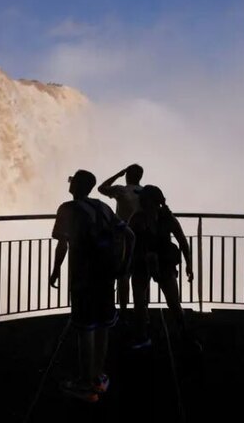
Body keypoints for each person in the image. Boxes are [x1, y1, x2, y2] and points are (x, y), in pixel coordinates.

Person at [50, 170, 135, 402]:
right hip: (106, 276)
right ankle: (98, 376)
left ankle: (85, 384)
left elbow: (62, 245)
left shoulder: (67, 209)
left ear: (76, 185)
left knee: (85, 327)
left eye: (72, 180)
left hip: (82, 278)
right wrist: (124, 266)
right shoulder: (103, 207)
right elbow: (129, 234)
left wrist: (56, 269)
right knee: (103, 325)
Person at [127, 185, 196, 349]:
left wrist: (189, 265)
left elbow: (128, 242)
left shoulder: (142, 218)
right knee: (160, 301)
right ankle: (182, 335)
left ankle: (146, 335)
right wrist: (188, 265)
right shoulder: (157, 218)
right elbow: (183, 243)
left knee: (162, 301)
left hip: (154, 262)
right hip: (148, 262)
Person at [98, 164, 144, 319]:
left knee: (123, 275)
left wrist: (117, 174)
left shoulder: (121, 190)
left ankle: (123, 311)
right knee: (140, 276)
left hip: (122, 237)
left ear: (127, 175)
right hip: (142, 238)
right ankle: (141, 311)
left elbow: (102, 188)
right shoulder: (144, 192)